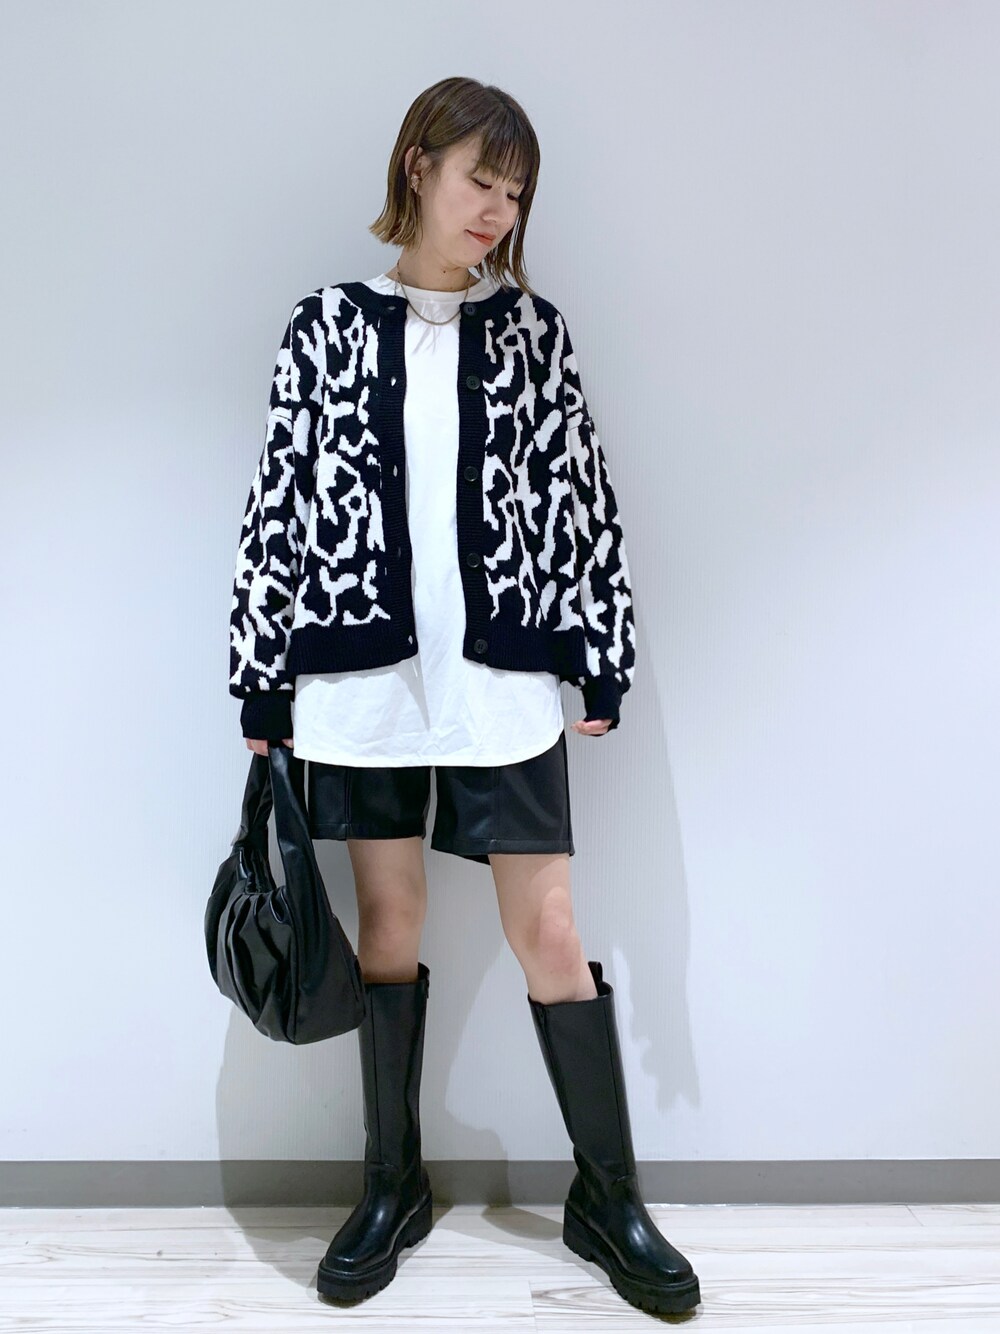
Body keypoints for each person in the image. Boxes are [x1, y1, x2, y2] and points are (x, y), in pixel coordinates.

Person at [228, 76, 701, 1317]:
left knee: (549, 927)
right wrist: (260, 673)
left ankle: (607, 1196)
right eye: (480, 178)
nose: (497, 207)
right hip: (364, 675)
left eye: (516, 190)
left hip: (501, 674)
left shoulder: (534, 333)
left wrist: (599, 650)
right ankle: (392, 1183)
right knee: (389, 923)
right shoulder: (326, 324)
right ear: (419, 167)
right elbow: (279, 503)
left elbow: (582, 498)